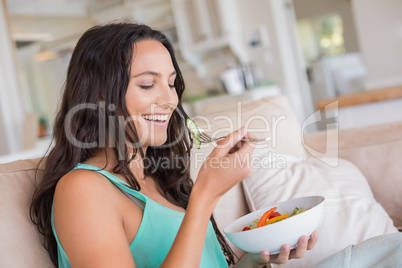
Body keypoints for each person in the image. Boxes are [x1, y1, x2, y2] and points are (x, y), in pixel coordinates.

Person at [30, 22, 318, 268]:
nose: (170, 100)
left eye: (171, 84)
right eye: (147, 85)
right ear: (99, 97)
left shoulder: (161, 177)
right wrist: (206, 194)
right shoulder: (82, 188)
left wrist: (254, 261)